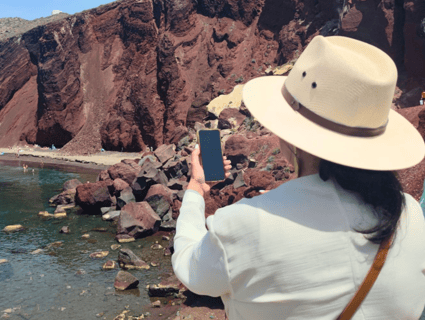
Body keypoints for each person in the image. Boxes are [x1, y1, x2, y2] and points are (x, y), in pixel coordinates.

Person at [172, 35, 425, 320]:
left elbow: (189, 267)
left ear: (293, 139)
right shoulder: (411, 214)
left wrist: (195, 189)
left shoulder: (244, 225)